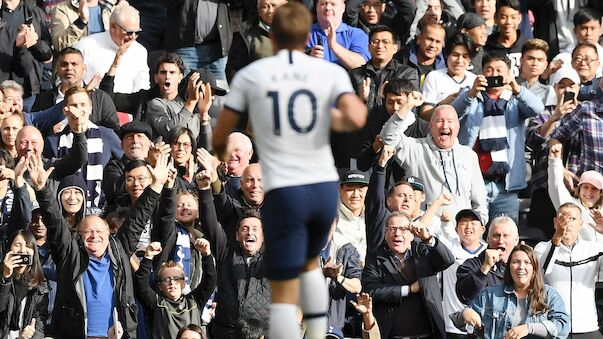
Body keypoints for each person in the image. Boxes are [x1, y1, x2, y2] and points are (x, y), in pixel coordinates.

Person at [212, 3, 367, 338]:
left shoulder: (257, 74)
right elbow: (356, 117)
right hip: (322, 182)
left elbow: (221, 132)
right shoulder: (329, 72)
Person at [31, 151, 170, 339]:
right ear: (79, 235)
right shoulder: (70, 253)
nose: (94, 236)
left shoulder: (118, 249)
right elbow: (55, 223)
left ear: (109, 234)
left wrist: (156, 185)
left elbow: (137, 218)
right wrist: (42, 190)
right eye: (88, 231)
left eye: (99, 231)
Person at [451, 51, 544, 222]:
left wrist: (516, 88)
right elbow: (452, 114)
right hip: (475, 181)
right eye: (489, 70)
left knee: (504, 235)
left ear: (509, 73)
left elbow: (537, 109)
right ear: (482, 72)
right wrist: (471, 93)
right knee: (472, 233)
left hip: (506, 185)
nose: (494, 74)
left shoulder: (515, 99)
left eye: (500, 70)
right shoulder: (471, 95)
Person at [380, 99, 489, 224]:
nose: (445, 126)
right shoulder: (415, 148)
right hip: (424, 232)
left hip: (459, 235)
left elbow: (480, 202)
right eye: (439, 121)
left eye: (450, 121)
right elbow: (387, 137)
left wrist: (478, 225)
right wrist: (407, 105)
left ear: (458, 126)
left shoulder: (469, 155)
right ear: (430, 126)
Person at [362, 210, 455, 338]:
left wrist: (427, 238)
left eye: (403, 229)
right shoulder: (376, 257)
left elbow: (447, 261)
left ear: (412, 234)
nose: (397, 233)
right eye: (392, 229)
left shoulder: (423, 251)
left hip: (426, 334)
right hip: (390, 334)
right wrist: (408, 290)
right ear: (385, 233)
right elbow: (370, 290)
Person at [458, 244, 570, 339]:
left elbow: (562, 327)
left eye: (527, 262)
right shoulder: (490, 294)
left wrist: (529, 328)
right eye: (516, 262)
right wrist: (465, 314)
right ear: (509, 267)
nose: (521, 267)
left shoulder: (550, 295)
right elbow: (458, 320)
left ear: (534, 268)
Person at [43, 86, 123, 211]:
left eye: (83, 105)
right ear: (65, 110)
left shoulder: (107, 135)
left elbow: (125, 161)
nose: (79, 109)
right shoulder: (53, 141)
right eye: (74, 105)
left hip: (100, 209)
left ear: (91, 108)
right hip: (64, 209)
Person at [526, 67, 580, 238]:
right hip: (545, 187)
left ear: (578, 88)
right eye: (562, 86)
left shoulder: (587, 112)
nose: (567, 90)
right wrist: (554, 117)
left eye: (572, 86)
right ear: (555, 88)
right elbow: (533, 142)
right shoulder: (543, 112)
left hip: (578, 187)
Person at [535, 202, 603, 337]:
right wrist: (557, 238)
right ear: (555, 222)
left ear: (581, 224)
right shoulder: (542, 248)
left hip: (587, 326)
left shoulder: (594, 249)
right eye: (563, 218)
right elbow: (542, 272)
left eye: (572, 219)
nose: (567, 223)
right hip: (554, 327)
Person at [134, 240, 216, 339]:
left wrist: (206, 254)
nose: (172, 283)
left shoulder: (194, 301)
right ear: (160, 286)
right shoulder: (156, 303)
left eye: (177, 279)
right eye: (166, 279)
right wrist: (148, 257)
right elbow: (141, 285)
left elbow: (209, 281)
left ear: (183, 283)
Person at [30, 47, 120, 132]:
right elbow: (32, 131)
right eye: (64, 64)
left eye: (74, 64)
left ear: (83, 69)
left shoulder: (101, 98)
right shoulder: (42, 100)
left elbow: (113, 131)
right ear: (57, 69)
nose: (69, 68)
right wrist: (50, 132)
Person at [74, 3, 149, 95]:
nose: (133, 37)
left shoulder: (140, 51)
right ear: (113, 27)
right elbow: (67, 85)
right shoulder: (85, 46)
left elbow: (142, 86)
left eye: (137, 32)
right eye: (129, 32)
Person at [145, 53, 216, 142]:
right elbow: (170, 132)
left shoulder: (192, 109)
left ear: (180, 77)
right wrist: (191, 102)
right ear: (156, 78)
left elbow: (207, 149)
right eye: (163, 72)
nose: (167, 77)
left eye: (172, 72)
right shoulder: (155, 104)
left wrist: (204, 115)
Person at [456, 216, 520, 304]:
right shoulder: (472, 265)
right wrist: (485, 268)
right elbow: (465, 297)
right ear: (488, 239)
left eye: (506, 236)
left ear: (516, 240)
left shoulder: (525, 266)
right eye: (496, 236)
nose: (501, 241)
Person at [1, 230, 48, 339]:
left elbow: (40, 320)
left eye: (28, 246)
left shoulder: (40, 282)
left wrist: (31, 336)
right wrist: (6, 278)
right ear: (9, 249)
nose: (22, 250)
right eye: (18, 245)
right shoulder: (2, 277)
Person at [226, 0, 287, 83]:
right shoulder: (245, 33)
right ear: (258, 10)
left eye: (274, 5)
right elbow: (234, 69)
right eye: (265, 7)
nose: (270, 11)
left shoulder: (297, 29)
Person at [420, 34, 477, 120]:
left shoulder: (474, 80)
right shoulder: (434, 77)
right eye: (455, 55)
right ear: (447, 55)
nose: (459, 61)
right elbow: (424, 115)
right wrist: (445, 103)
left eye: (465, 56)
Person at [307, 0, 371, 70]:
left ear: (343, 8)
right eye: (323, 4)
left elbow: (361, 64)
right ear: (316, 7)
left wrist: (334, 46)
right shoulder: (303, 33)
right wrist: (308, 58)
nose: (328, 8)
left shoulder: (356, 34)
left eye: (333, 4)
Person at [484, 0, 528, 77]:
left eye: (513, 17)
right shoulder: (486, 46)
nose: (508, 22)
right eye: (503, 17)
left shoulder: (527, 46)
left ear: (519, 18)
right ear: (496, 18)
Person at [50, 0, 115, 52]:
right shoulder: (62, 9)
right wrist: (81, 22)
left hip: (105, 64)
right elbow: (59, 45)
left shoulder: (111, 9)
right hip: (76, 65)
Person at [397, 23, 446, 89]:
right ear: (419, 39)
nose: (433, 45)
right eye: (429, 39)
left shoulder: (446, 71)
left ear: (442, 44)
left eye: (438, 42)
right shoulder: (401, 61)